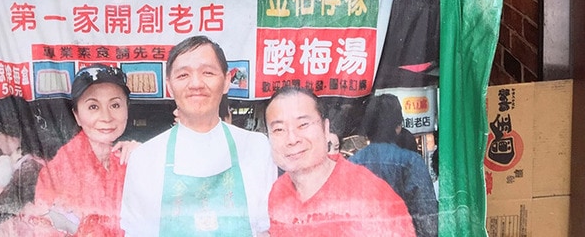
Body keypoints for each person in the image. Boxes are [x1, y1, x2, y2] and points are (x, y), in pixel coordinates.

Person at [120, 36, 276, 237]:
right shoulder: (145, 158)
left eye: (208, 72)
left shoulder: (256, 148)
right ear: (169, 85)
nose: (196, 83)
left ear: (227, 81)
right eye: (183, 75)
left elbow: (268, 228)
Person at [265, 86, 416, 237]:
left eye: (303, 125)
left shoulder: (371, 195)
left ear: (326, 128)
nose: (292, 139)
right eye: (279, 129)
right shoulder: (278, 191)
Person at [29, 64, 134, 237]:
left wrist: (146, 156)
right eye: (93, 107)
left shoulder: (130, 158)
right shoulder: (58, 170)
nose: (106, 117)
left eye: (115, 105)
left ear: (126, 109)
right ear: (77, 115)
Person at [351, 94, 438, 237]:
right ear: (398, 127)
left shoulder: (352, 164)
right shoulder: (411, 162)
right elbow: (428, 224)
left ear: (367, 129)